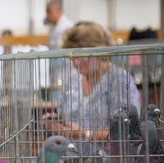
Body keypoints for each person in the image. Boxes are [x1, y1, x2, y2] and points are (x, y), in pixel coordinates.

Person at [42, 21, 141, 152]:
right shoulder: (72, 79)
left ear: (100, 52)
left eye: (83, 56)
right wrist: (57, 122)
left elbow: (126, 132)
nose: (76, 62)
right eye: (73, 56)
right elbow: (65, 114)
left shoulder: (120, 80)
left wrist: (85, 134)